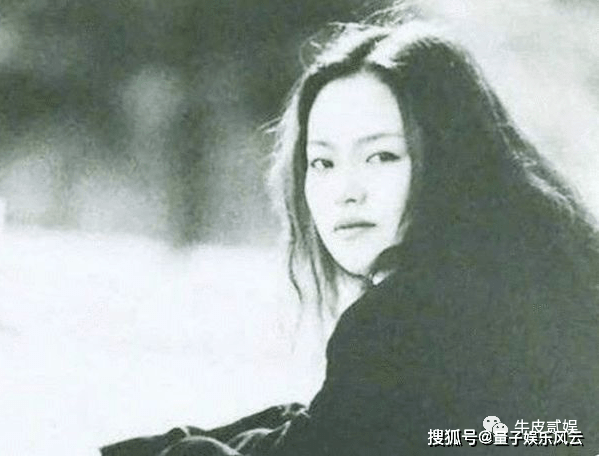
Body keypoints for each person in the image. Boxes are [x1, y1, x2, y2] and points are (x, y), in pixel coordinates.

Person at [101, 14, 599, 456]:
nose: (346, 192)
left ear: (453, 161)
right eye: (323, 162)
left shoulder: (400, 324)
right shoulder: (547, 279)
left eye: (381, 156)